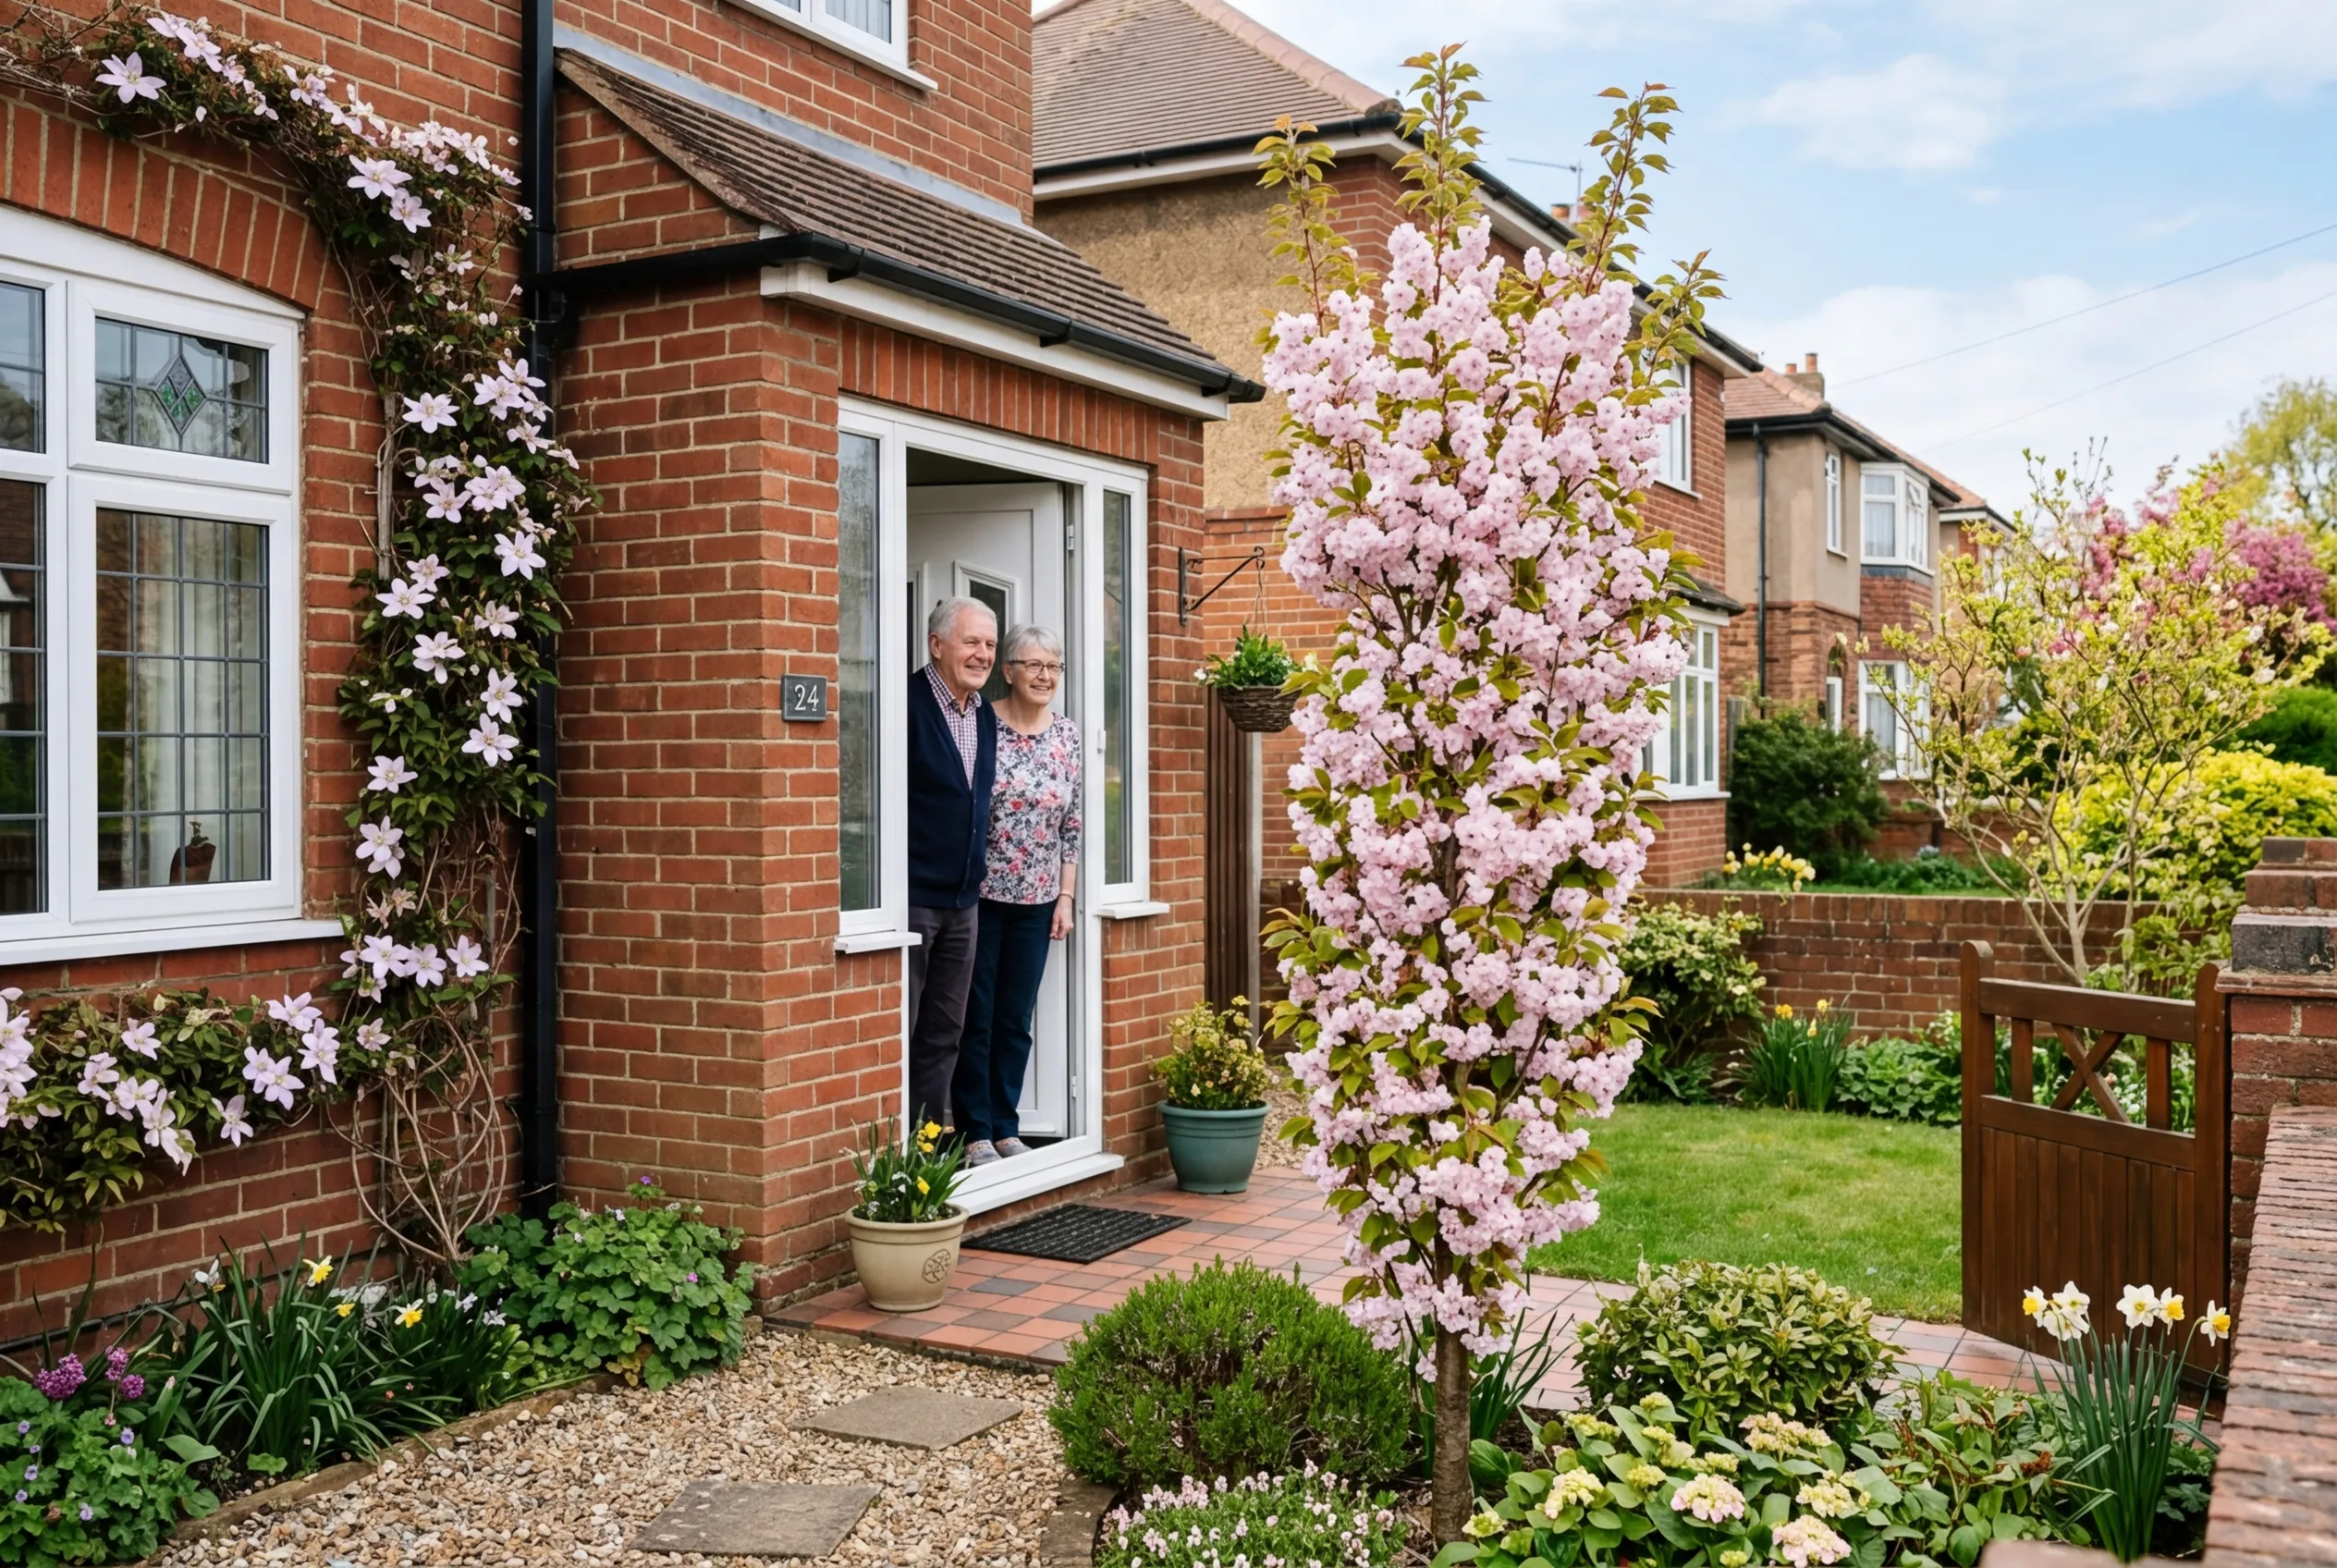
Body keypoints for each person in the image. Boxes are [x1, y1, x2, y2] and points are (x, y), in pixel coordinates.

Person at [952, 624, 1080, 1166]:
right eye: (1034, 665)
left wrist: (1066, 896)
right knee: (974, 1016)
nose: (1045, 676)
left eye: (1053, 667)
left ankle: (1005, 1125)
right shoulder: (982, 723)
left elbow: (1072, 822)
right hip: (979, 898)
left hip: (1038, 900)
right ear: (1008, 671)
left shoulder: (1067, 735)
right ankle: (973, 1129)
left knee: (1014, 1019)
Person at [906, 595, 998, 1134]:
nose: (982, 654)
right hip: (914, 899)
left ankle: (927, 1145)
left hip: (964, 902)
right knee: (904, 1027)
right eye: (971, 642)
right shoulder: (905, 702)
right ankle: (894, 1148)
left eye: (988, 644)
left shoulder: (983, 712)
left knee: (945, 1032)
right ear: (937, 644)